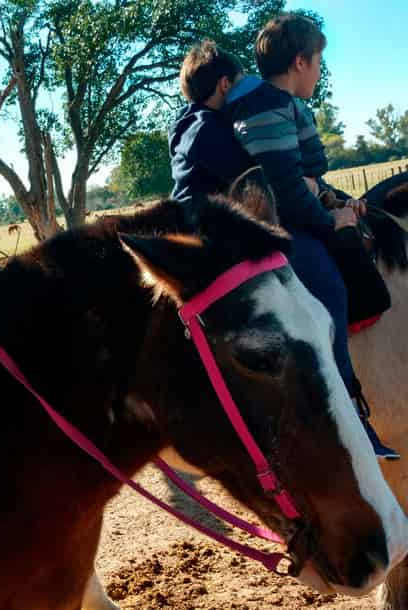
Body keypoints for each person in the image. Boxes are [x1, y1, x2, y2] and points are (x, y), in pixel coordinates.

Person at [223, 13, 398, 459]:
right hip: (282, 228)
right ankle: (343, 411)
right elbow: (283, 187)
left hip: (298, 215)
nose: (320, 72)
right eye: (319, 61)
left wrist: (337, 202)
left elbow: (304, 179)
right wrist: (330, 221)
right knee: (331, 290)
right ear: (301, 61)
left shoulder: (277, 105)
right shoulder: (267, 107)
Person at [169, 40, 253, 202]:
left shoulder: (185, 124)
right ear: (225, 84)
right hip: (202, 218)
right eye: (240, 82)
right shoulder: (209, 129)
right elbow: (249, 176)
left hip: (181, 211)